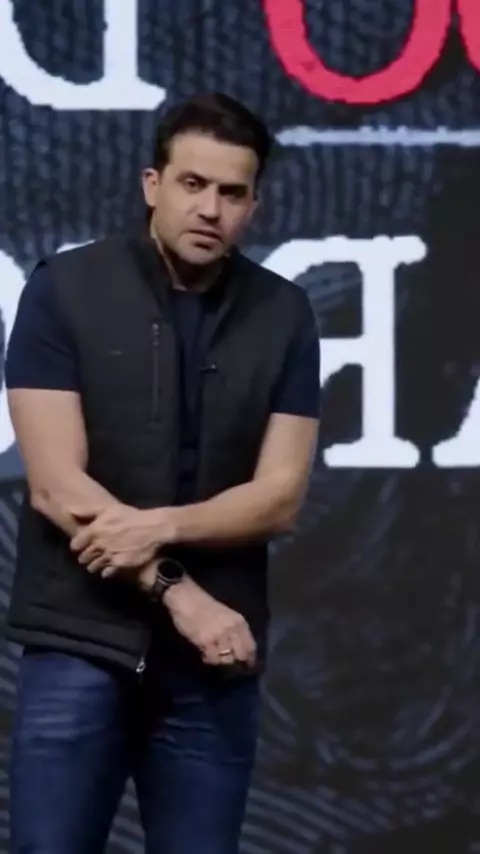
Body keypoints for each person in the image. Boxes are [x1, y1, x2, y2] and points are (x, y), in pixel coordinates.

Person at [5, 92, 320, 854]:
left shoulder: (284, 314)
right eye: (192, 184)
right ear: (153, 184)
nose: (210, 209)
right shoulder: (63, 288)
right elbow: (54, 486)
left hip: (213, 664)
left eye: (232, 193)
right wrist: (181, 595)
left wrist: (160, 528)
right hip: (81, 640)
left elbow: (279, 498)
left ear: (254, 205)